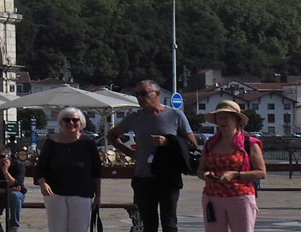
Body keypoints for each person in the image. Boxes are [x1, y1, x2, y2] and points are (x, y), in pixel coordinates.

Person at [108, 79, 196, 231]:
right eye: (137, 94)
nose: (139, 98)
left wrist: (168, 141)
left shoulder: (175, 115)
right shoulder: (134, 117)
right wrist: (131, 153)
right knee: (148, 225)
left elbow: (192, 143)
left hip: (168, 177)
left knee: (169, 223)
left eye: (143, 93)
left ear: (157, 94)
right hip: (143, 178)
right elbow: (112, 136)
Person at [196, 100, 266, 231]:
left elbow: (261, 172)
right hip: (212, 197)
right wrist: (206, 175)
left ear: (236, 120)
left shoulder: (249, 143)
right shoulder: (210, 143)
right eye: (219, 118)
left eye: (226, 117)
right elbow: (200, 170)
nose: (222, 121)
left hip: (240, 198)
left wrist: (235, 175)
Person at [35, 106, 103, 231]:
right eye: (67, 120)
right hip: (55, 193)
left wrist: (98, 196)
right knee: (56, 229)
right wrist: (42, 183)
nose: (71, 123)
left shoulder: (88, 143)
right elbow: (40, 167)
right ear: (61, 122)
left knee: (79, 229)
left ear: (81, 123)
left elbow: (96, 171)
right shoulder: (51, 142)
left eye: (75, 120)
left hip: (82, 193)